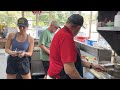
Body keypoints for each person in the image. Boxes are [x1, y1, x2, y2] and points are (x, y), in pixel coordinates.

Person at [47, 14, 106, 79]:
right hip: (60, 76)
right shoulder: (66, 38)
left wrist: (92, 65)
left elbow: (72, 61)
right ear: (78, 27)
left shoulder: (61, 33)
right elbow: (70, 70)